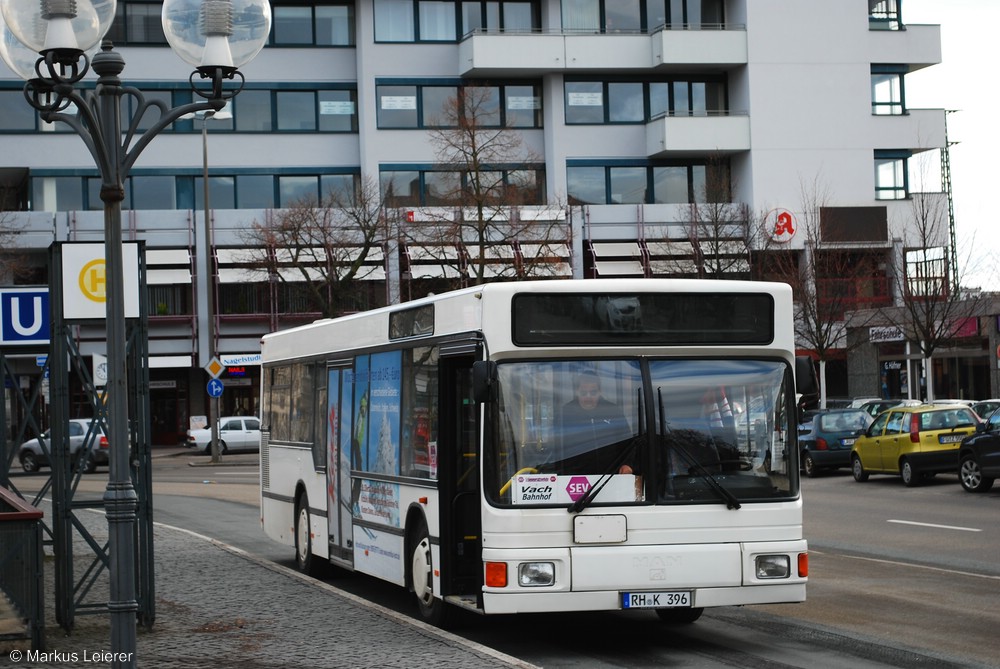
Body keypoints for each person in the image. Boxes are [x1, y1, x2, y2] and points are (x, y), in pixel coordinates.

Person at [560, 371, 634, 474]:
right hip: (574, 480)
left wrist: (627, 464)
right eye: (583, 393)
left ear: (600, 391)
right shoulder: (566, 414)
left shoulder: (613, 411)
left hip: (610, 476)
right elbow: (557, 448)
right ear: (577, 392)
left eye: (593, 392)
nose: (588, 397)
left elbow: (627, 443)